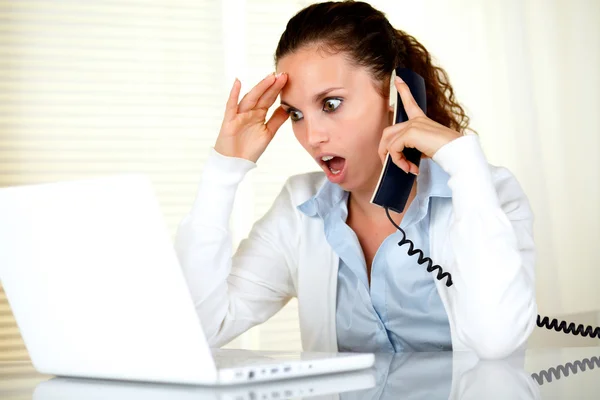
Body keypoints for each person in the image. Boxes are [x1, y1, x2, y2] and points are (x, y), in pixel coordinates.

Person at [174, 0, 537, 360]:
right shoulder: (299, 210)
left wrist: (463, 162)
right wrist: (223, 172)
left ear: (395, 97)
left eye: (330, 104)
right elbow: (200, 329)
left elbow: (497, 341)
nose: (312, 136)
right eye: (296, 114)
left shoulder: (486, 193)